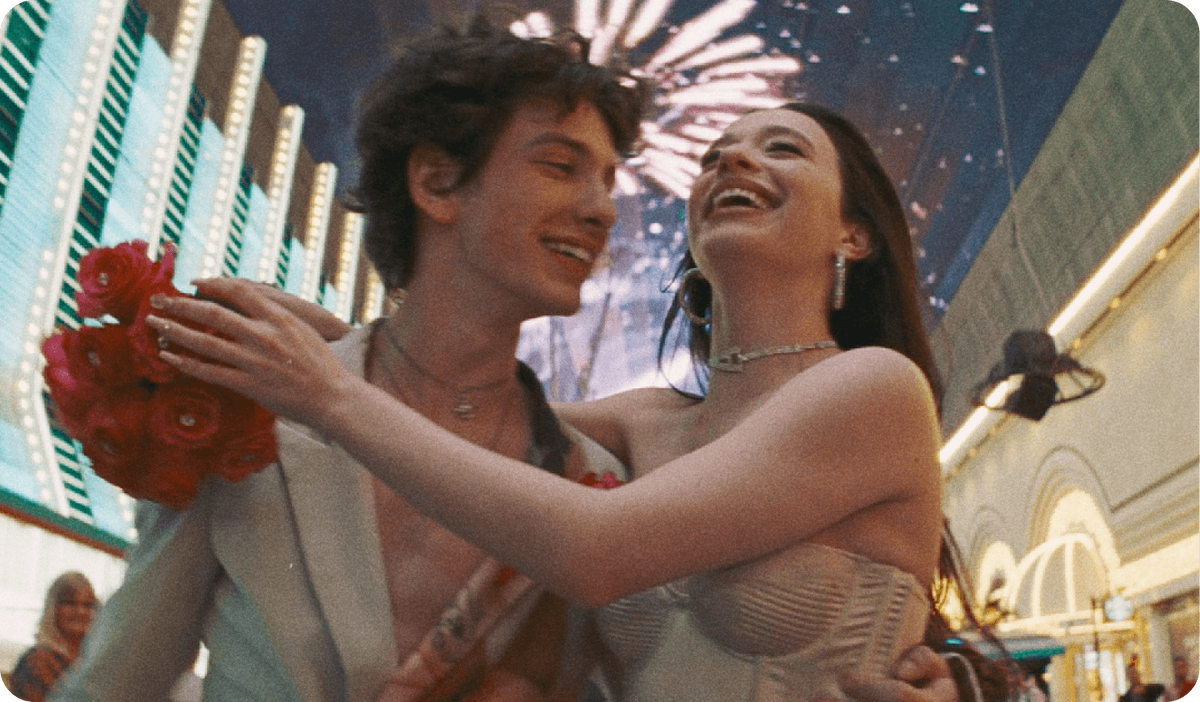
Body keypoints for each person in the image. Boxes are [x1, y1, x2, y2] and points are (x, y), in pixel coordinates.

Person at [146, 97, 1003, 701]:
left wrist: (326, 390)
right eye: (713, 156)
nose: (731, 161)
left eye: (783, 149)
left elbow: (596, 549)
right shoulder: (643, 420)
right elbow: (450, 414)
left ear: (854, 232)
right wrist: (299, 334)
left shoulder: (874, 388)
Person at [52, 18, 642, 702]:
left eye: (608, 181)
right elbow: (121, 679)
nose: (603, 210)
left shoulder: (589, 479)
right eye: (560, 166)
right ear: (436, 182)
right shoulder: (242, 407)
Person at [7, 572, 97, 702]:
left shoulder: (99, 660)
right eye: (70, 603)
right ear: (53, 608)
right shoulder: (35, 663)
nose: (80, 611)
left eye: (88, 605)